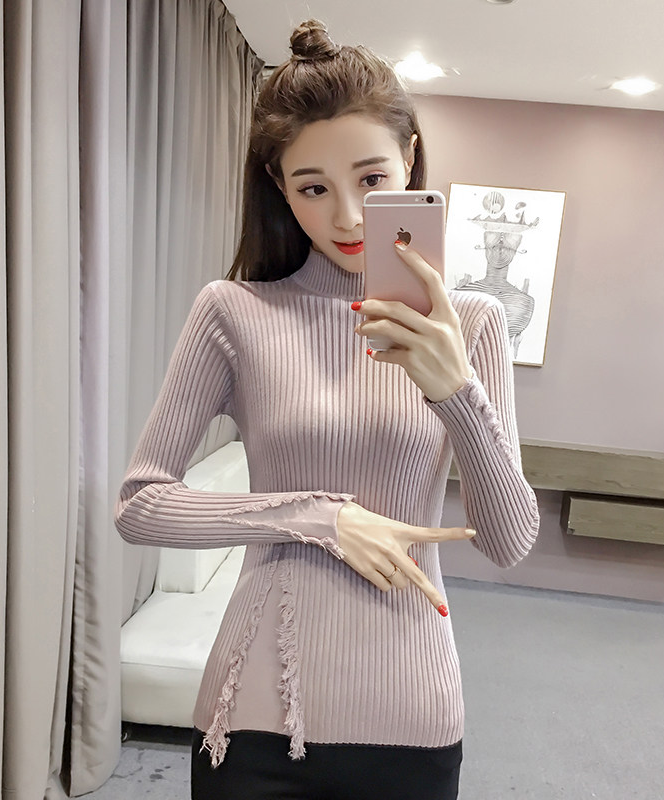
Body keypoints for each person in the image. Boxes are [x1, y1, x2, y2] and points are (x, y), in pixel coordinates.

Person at [115, 19, 539, 800]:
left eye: (371, 179)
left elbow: (509, 541)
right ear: (279, 187)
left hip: (410, 707)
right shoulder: (234, 311)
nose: (346, 216)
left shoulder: (473, 323)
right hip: (255, 709)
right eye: (313, 187)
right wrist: (319, 516)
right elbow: (140, 506)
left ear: (409, 159)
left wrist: (454, 389)